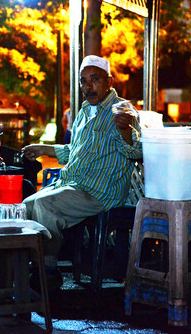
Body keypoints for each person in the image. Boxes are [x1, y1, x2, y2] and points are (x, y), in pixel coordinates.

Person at [21, 55, 142, 287]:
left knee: (46, 206)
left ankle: (47, 271)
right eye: (83, 81)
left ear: (109, 81)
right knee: (25, 206)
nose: (88, 86)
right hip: (74, 184)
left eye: (94, 79)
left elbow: (135, 150)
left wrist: (126, 129)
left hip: (99, 192)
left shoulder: (120, 110)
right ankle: (29, 265)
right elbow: (75, 149)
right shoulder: (85, 110)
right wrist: (43, 149)